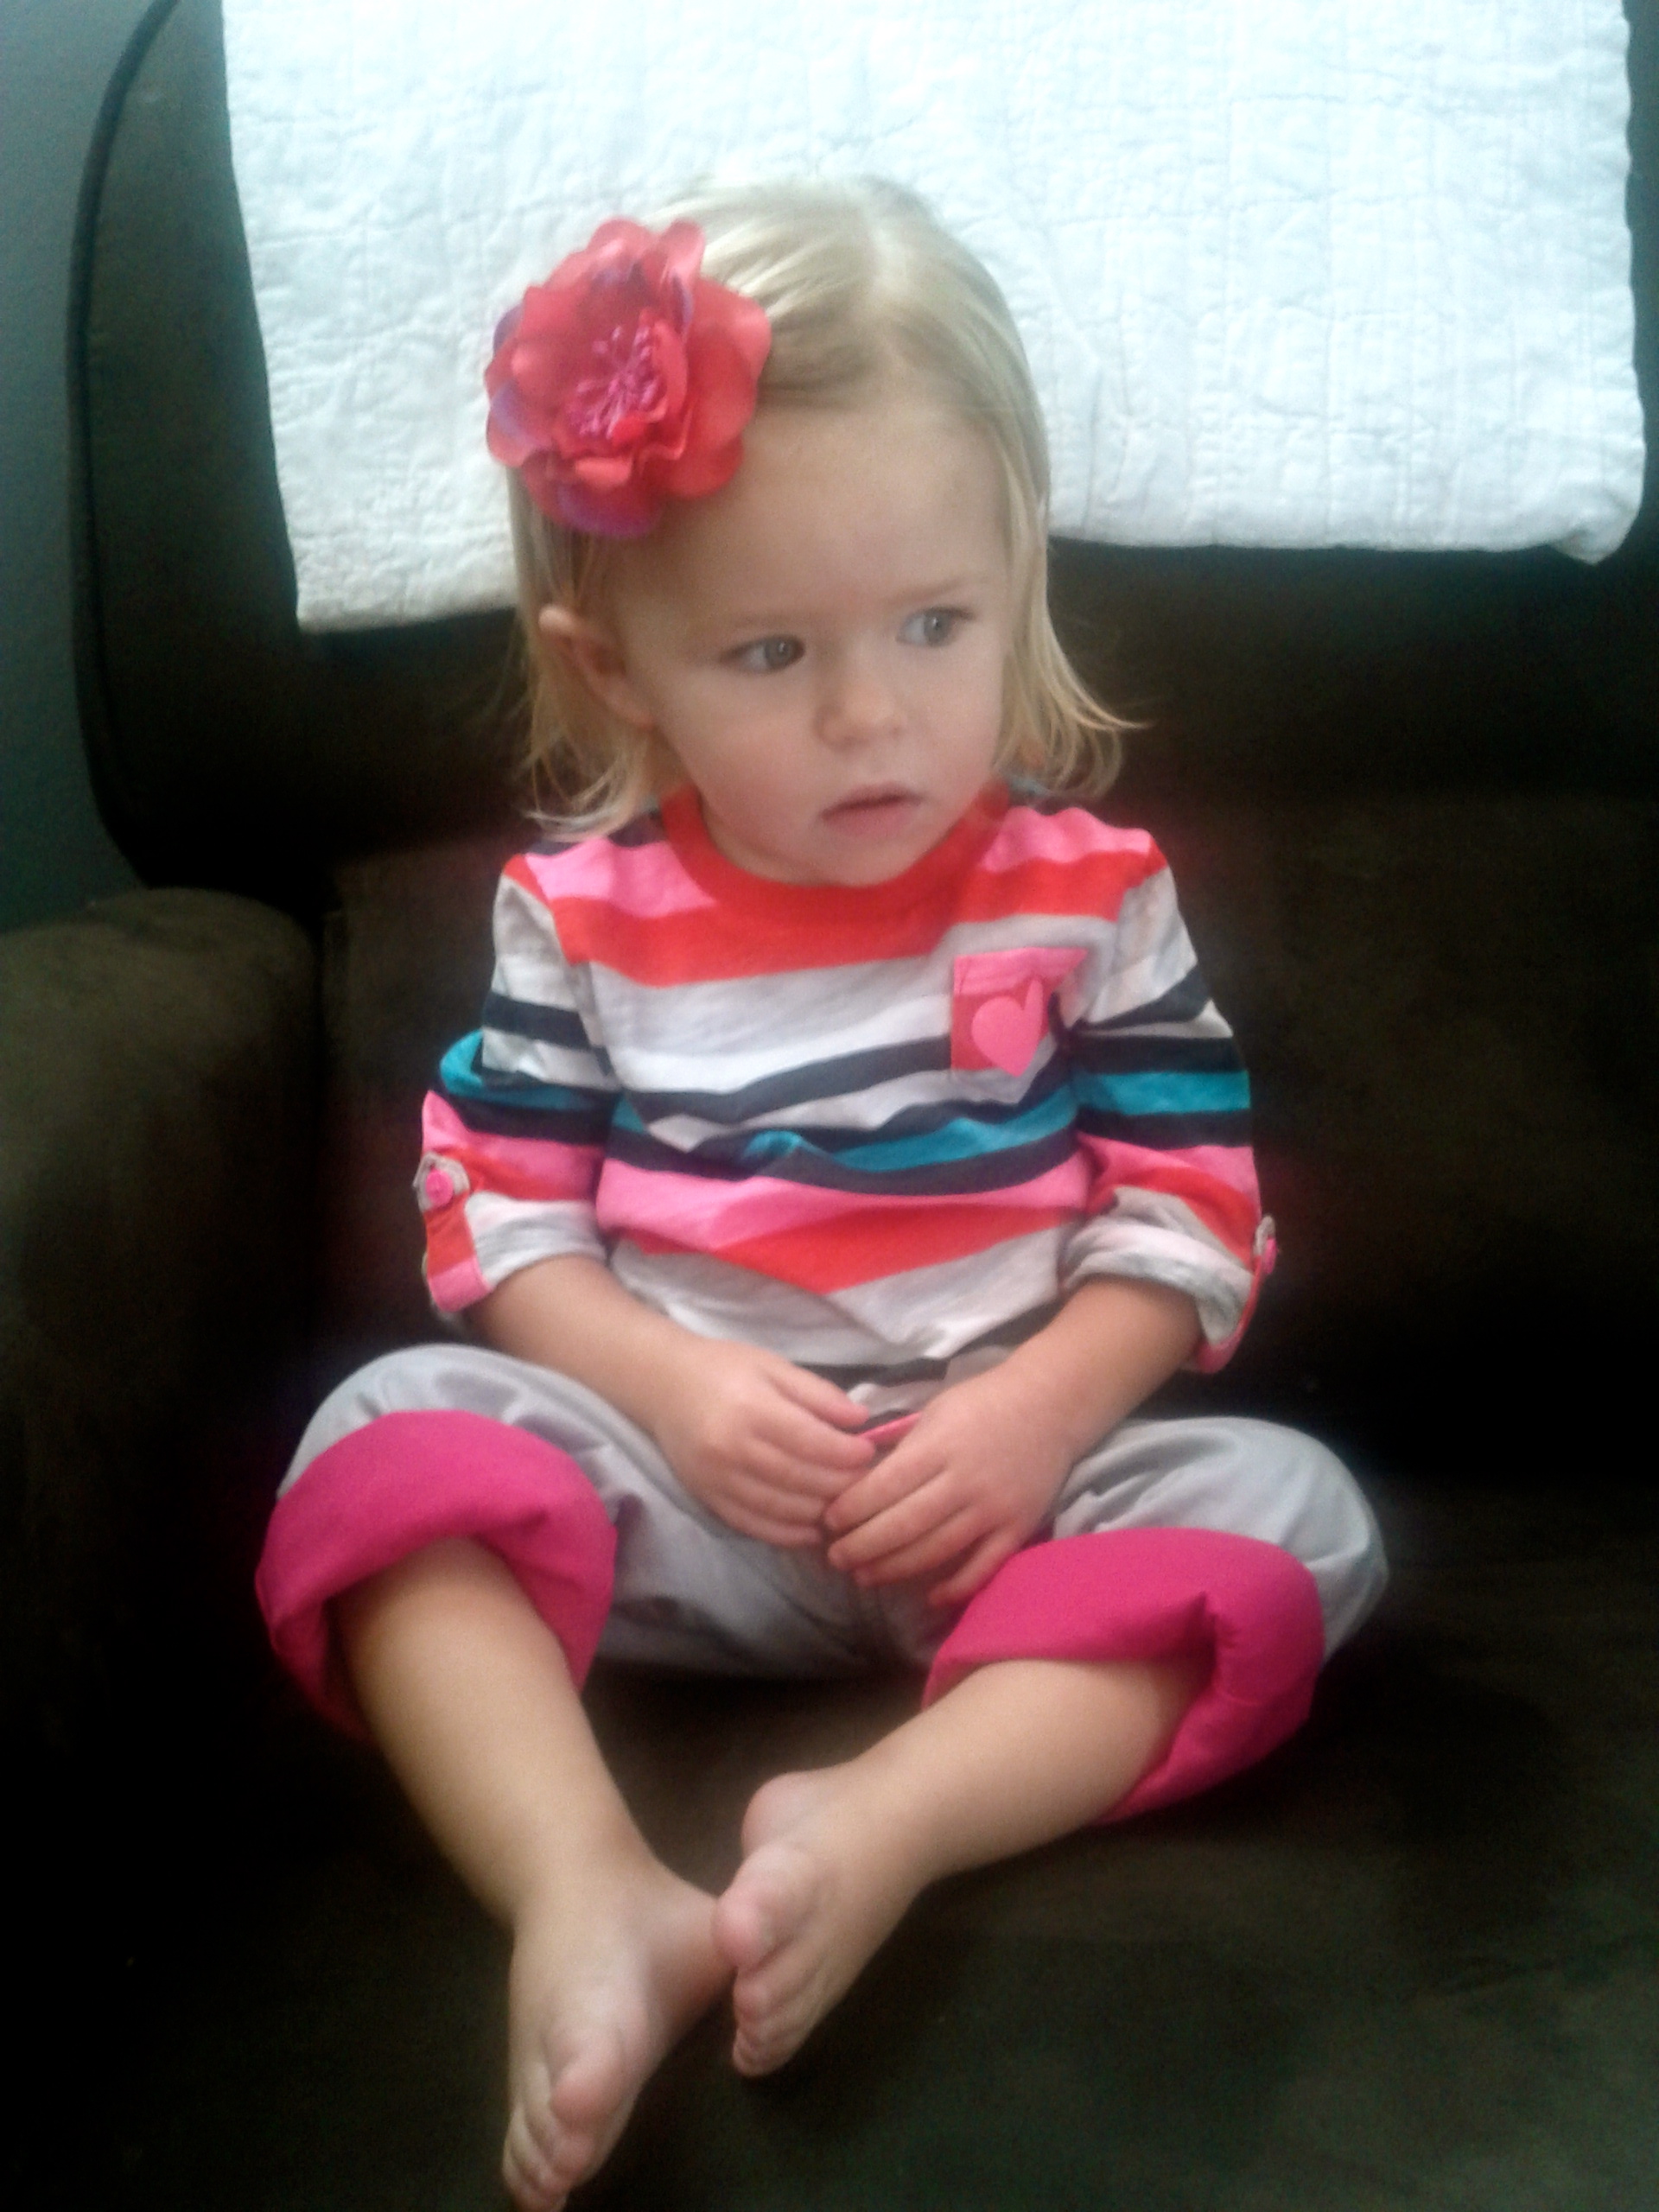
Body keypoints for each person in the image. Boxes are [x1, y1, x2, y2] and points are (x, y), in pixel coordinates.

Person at [256, 180, 1387, 2211]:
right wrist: (669, 1386)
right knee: (372, 1435)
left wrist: (1035, 1411)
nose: (872, 713)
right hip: (694, 1505)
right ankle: (584, 1883)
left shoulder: (1092, 896)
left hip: (1014, 1511)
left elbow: (1189, 1209)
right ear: (616, 667)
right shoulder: (578, 919)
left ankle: (884, 1819)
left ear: (1017, 582)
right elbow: (499, 1220)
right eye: (772, 650)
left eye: (935, 625)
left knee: (1299, 1515)